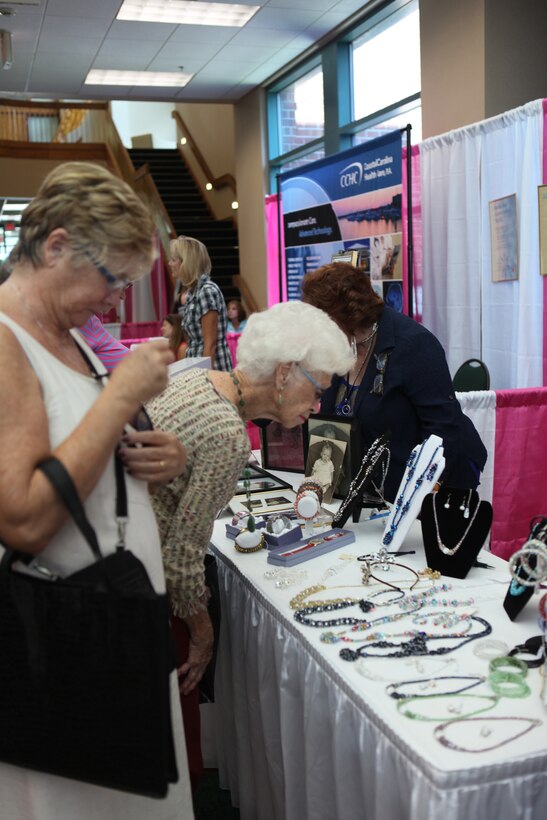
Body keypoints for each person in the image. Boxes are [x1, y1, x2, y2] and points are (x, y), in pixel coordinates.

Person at [0, 161, 193, 819]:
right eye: (112, 281)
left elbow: (77, 445)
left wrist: (156, 454)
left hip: (108, 625)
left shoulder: (71, 334)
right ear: (55, 247)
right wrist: (119, 397)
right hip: (60, 641)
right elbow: (22, 518)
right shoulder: (5, 340)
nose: (115, 304)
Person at [125, 301, 353, 789]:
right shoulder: (229, 433)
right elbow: (182, 556)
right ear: (285, 372)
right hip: (145, 594)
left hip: (124, 567)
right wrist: (204, 634)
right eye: (318, 390)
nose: (318, 408)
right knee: (160, 754)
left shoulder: (197, 381)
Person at [301, 262, 488, 503]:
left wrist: (412, 501)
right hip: (368, 488)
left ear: (344, 315)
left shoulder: (414, 345)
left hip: (431, 485)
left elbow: (443, 432)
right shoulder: (339, 344)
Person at [168, 235, 232, 370]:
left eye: (173, 260)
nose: (170, 263)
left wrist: (203, 379)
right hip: (198, 368)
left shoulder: (206, 291)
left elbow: (210, 344)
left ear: (186, 263)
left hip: (212, 372)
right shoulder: (193, 292)